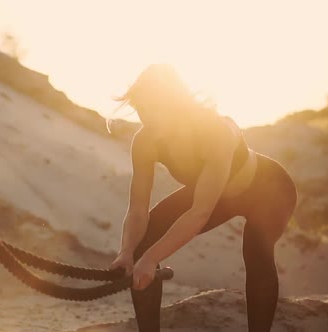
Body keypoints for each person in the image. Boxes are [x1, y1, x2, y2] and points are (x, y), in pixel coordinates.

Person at [107, 63, 297, 332]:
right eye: (141, 110)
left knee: (256, 247)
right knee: (142, 240)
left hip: (268, 189)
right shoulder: (145, 141)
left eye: (153, 108)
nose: (146, 118)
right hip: (219, 195)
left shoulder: (215, 130)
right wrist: (127, 252)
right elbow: (138, 209)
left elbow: (199, 213)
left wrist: (151, 260)